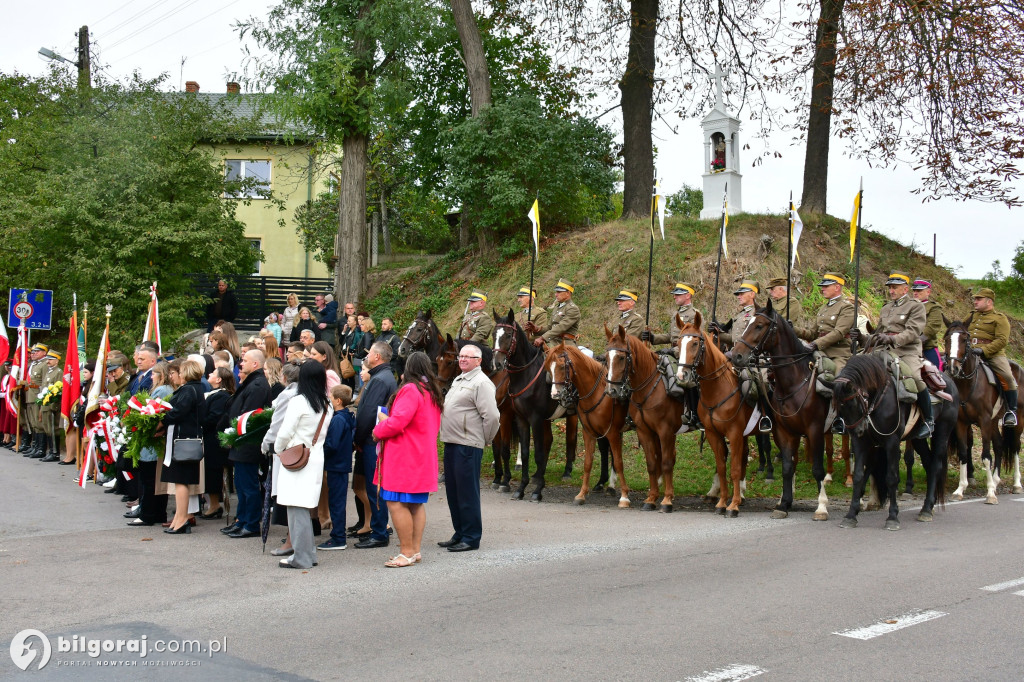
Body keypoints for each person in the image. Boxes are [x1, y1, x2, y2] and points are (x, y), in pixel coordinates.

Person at [372, 351, 444, 567]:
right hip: (421, 455)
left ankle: (406, 552)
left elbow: (397, 423)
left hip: (404, 456)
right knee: (415, 505)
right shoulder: (431, 391)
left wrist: (380, 427)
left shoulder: (411, 390)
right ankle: (414, 550)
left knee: (395, 503)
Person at [438, 343, 499, 552]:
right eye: (461, 356)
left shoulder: (482, 383)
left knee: (467, 493)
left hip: (468, 444)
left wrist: (484, 439)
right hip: (452, 442)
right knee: (454, 492)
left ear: (478, 361)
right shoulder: (458, 379)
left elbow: (491, 416)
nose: (462, 359)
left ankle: (471, 537)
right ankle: (460, 532)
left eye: (468, 357)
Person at [274, 361, 333, 569]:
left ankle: (301, 557)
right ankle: (309, 554)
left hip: (296, 457)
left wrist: (278, 450)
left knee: (296, 509)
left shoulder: (299, 401)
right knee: (305, 509)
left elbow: (284, 433)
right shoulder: (327, 403)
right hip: (315, 457)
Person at [871, 271, 932, 438]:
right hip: (883, 351)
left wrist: (892, 340)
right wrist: (862, 338)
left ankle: (929, 419)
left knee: (914, 377)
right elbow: (879, 332)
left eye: (895, 288)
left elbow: (913, 331)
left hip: (907, 351)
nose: (891, 291)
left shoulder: (916, 306)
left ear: (905, 289)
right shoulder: (886, 308)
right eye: (890, 287)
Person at [796, 272, 856, 432]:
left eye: (826, 286)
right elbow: (812, 333)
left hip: (838, 353)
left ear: (837, 287)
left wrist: (815, 344)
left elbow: (839, 332)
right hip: (820, 352)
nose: (822, 289)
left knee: (839, 381)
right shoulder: (823, 308)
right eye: (822, 286)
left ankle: (840, 419)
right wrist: (793, 329)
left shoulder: (847, 307)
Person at [352, 341, 398, 549]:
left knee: (375, 488)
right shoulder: (382, 376)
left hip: (372, 441)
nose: (367, 356)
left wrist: (358, 439)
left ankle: (379, 533)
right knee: (372, 487)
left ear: (377, 357)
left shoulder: (380, 379)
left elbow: (369, 413)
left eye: (369, 353)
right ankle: (376, 529)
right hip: (371, 440)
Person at [223, 350, 272, 538]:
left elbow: (249, 416)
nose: (240, 364)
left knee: (248, 485)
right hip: (241, 442)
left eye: (244, 361)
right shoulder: (252, 382)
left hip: (248, 443)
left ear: (255, 364)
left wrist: (235, 435)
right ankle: (241, 520)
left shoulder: (258, 385)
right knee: (241, 484)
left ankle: (251, 523)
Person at [160, 359, 207, 535]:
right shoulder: (196, 388)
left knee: (181, 480)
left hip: (182, 440)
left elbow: (178, 412)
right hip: (185, 438)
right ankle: (180, 517)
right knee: (180, 479)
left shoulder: (189, 390)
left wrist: (161, 418)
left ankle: (182, 519)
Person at [262, 362, 302, 557]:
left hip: (286, 450)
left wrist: (267, 444)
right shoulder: (305, 393)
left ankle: (291, 540)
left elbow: (278, 426)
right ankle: (293, 538)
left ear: (285, 378)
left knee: (288, 497)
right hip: (298, 450)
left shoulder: (288, 396)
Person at [130, 362, 174, 527]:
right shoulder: (166, 389)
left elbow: (154, 413)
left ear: (161, 375)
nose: (151, 377)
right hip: (158, 442)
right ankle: (158, 513)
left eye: (154, 374)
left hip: (153, 441)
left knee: (149, 480)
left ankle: (148, 514)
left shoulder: (161, 390)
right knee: (156, 481)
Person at [967, 287, 1018, 426]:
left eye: (979, 299)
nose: (975, 301)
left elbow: (1002, 340)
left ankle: (1010, 411)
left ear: (989, 302)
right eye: (975, 299)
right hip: (970, 353)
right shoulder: (972, 315)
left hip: (992, 355)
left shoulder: (999, 318)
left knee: (1007, 376)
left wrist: (984, 351)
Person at [318, 384, 356, 552]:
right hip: (341, 464)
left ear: (338, 400)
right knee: (337, 501)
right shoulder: (347, 416)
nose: (329, 399)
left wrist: (320, 451)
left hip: (336, 465)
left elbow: (332, 444)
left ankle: (338, 537)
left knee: (336, 502)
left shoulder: (338, 419)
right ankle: (338, 534)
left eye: (331, 396)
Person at [201, 367, 235, 520]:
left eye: (213, 373)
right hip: (210, 439)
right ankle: (212, 504)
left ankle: (214, 505)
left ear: (219, 379)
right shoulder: (217, 394)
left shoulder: (221, 396)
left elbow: (215, 417)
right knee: (210, 473)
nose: (209, 374)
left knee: (212, 473)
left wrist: (201, 424)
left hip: (214, 441)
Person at [643, 281, 700, 354]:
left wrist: (673, 351)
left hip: (685, 355)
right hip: (673, 351)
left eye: (678, 295)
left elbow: (694, 341)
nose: (674, 297)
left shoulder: (695, 315)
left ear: (688, 296)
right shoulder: (676, 314)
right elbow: (670, 336)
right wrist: (652, 337)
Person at [528, 279, 581, 347]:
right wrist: (536, 329)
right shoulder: (557, 307)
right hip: (553, 341)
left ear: (568, 293)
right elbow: (550, 327)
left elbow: (561, 327)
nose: (556, 295)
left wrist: (542, 338)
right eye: (556, 292)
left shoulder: (573, 309)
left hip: (565, 344)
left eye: (559, 292)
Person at [711, 280, 760, 346]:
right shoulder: (740, 315)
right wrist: (717, 331)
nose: (738, 297)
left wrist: (719, 334)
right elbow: (733, 338)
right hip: (736, 352)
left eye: (742, 294)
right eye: (738, 294)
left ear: (752, 294)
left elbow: (739, 339)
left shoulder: (757, 314)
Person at [912, 279, 945, 370]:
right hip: (905, 345)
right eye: (914, 290)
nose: (915, 293)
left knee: (936, 372)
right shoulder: (907, 306)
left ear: (928, 292)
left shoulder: (934, 307)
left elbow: (932, 327)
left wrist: (917, 340)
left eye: (919, 291)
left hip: (926, 347)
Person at [23, 343, 48, 458]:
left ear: (44, 353)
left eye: (37, 352)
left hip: (38, 396)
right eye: (32, 352)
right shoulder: (33, 364)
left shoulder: (44, 364)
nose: (33, 354)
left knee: (39, 423)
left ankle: (41, 449)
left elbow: (44, 382)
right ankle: (35, 446)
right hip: (30, 395)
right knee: (33, 423)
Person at [39, 350, 64, 462]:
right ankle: (51, 451)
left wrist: (54, 406)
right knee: (47, 428)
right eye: (47, 359)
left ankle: (55, 452)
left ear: (57, 360)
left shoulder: (58, 372)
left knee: (53, 429)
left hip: (52, 406)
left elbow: (59, 390)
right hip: (45, 404)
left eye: (50, 359)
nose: (47, 361)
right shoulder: (49, 372)